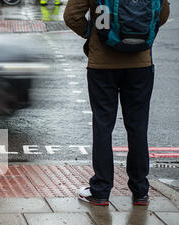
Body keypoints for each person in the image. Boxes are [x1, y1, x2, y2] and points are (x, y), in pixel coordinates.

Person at [64, 0, 170, 206]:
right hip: (140, 63)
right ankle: (140, 190)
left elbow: (71, 17)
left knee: (103, 126)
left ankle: (101, 190)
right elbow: (162, 14)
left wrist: (94, 33)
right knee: (138, 127)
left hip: (102, 64)